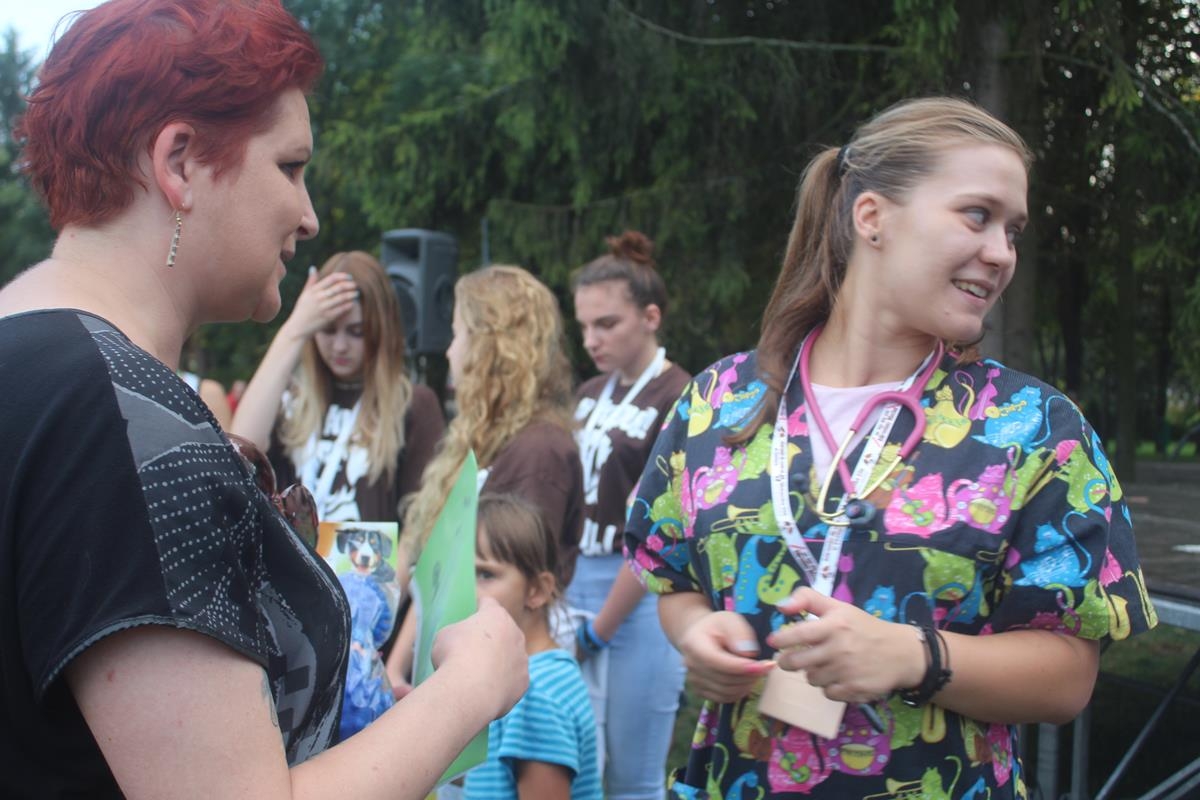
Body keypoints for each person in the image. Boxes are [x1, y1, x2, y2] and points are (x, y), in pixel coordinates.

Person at [0, 2, 526, 797]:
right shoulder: (127, 422)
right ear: (180, 163)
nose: (308, 216)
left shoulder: (32, 359)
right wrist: (469, 688)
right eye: (289, 167)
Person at [624, 97, 1157, 799]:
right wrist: (698, 634)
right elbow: (673, 577)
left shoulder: (1033, 429)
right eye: (977, 215)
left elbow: (1067, 679)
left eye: (1012, 230)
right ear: (871, 217)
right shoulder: (720, 402)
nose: (1002, 253)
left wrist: (915, 656)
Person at [232, 249, 445, 738]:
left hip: (372, 617)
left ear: (382, 331)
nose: (340, 346)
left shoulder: (415, 405)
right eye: (327, 330)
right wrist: (294, 329)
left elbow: (421, 522)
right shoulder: (295, 400)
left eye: (357, 331)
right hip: (297, 612)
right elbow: (242, 447)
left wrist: (373, 617)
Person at [389, 265, 584, 690]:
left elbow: (516, 585)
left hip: (508, 677)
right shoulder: (485, 438)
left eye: (457, 335)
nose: (449, 352)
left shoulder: (540, 452)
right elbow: (437, 569)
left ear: (489, 346)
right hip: (463, 660)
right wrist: (396, 667)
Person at [568, 231, 689, 799]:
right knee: (573, 767)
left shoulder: (682, 394)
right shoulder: (589, 392)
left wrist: (601, 629)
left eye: (606, 324)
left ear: (650, 317)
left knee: (633, 778)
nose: (591, 340)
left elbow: (661, 527)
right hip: (573, 587)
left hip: (640, 598)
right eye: (584, 326)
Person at [463, 494, 601, 800]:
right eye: (462, 573)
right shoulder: (519, 677)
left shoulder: (535, 695)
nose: (467, 589)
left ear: (537, 590)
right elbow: (487, 775)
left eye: (485, 574)